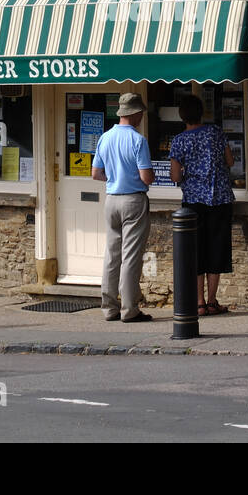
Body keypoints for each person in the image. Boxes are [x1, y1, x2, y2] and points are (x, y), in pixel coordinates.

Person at [92, 92, 156, 322]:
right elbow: (146, 176)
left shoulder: (105, 137)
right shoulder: (138, 140)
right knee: (131, 256)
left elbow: (96, 174)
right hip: (133, 200)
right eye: (141, 113)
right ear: (136, 113)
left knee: (112, 255)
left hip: (111, 199)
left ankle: (109, 308)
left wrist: (115, 178)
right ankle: (130, 309)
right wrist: (150, 174)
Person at [169, 93, 235, 316]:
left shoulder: (179, 141)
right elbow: (230, 161)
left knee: (196, 251)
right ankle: (212, 300)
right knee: (216, 250)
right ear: (201, 113)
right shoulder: (216, 132)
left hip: (193, 203)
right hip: (220, 199)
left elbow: (176, 176)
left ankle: (198, 302)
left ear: (182, 116)